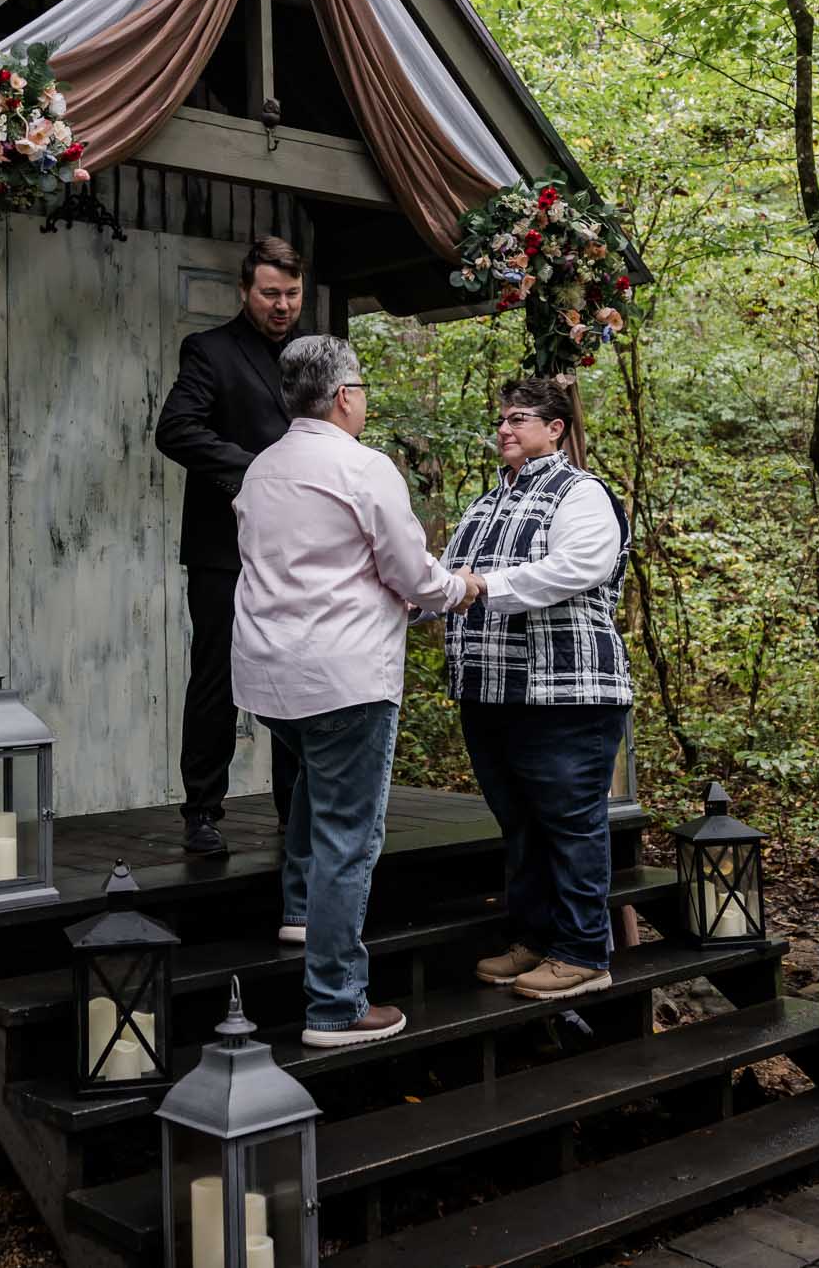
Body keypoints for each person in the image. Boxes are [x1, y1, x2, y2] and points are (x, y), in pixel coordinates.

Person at [231, 336, 484, 1047]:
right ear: (344, 395)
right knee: (350, 832)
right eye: (363, 387)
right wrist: (456, 587)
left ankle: (300, 908)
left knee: (314, 787)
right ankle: (336, 1002)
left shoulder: (260, 470)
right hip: (344, 674)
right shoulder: (363, 467)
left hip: (268, 676)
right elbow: (409, 573)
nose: (365, 398)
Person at [443, 377, 635, 1003]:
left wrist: (485, 588)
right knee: (519, 823)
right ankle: (533, 939)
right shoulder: (484, 505)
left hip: (566, 692)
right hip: (490, 693)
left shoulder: (582, 494)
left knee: (571, 823)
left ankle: (583, 952)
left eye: (519, 418)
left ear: (555, 429)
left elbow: (578, 568)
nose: (504, 428)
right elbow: (446, 583)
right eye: (501, 418)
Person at [153, 236, 307, 857]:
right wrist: (256, 469)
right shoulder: (211, 351)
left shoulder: (314, 353)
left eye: (292, 294)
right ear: (245, 291)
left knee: (296, 677)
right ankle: (202, 813)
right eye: (270, 293)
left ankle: (294, 810)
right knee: (217, 676)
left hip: (299, 548)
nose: (282, 305)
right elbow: (177, 429)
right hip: (225, 548)